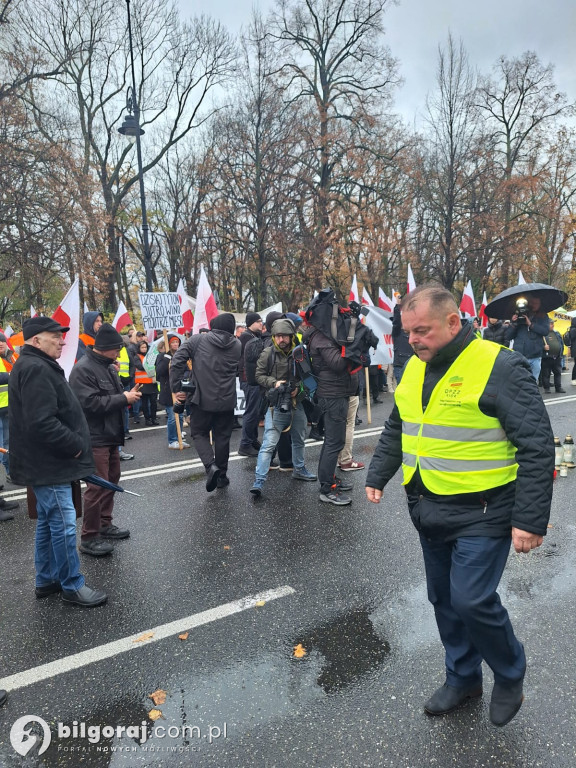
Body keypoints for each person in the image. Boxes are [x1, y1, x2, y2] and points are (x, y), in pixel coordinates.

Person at [365, 285, 554, 727]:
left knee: (471, 600)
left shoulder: (498, 365)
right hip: (428, 506)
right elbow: (399, 425)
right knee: (444, 599)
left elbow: (536, 445)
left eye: (422, 330)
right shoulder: (415, 366)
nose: (412, 340)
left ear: (454, 322)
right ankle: (462, 678)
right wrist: (378, 475)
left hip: (485, 510)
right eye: (407, 331)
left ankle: (509, 674)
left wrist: (529, 520)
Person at [8, 316, 107, 606]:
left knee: (48, 522)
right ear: (36, 340)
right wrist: (76, 446)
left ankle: (47, 579)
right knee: (62, 523)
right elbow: (42, 422)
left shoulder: (33, 364)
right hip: (50, 464)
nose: (63, 341)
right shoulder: (36, 368)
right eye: (56, 337)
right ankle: (71, 586)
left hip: (45, 462)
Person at [70, 323, 141, 556]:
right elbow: (90, 404)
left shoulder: (109, 367)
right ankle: (89, 537)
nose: (119, 352)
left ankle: (104, 523)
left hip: (111, 435)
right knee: (97, 486)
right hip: (95, 436)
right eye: (116, 349)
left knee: (112, 480)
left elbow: (112, 397)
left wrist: (126, 396)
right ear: (105, 348)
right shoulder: (83, 369)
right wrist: (124, 398)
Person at [170, 313, 241, 492]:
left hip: (202, 399)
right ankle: (222, 476)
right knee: (223, 437)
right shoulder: (237, 344)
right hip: (227, 399)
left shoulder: (198, 340)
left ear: (213, 325)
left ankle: (211, 466)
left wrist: (177, 387)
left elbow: (177, 361)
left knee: (199, 433)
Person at [249, 318, 317, 497]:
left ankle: (299, 469)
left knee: (299, 439)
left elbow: (309, 377)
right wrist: (275, 383)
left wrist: (298, 389)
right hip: (277, 404)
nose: (281, 340)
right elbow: (259, 376)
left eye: (284, 336)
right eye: (277, 336)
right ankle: (259, 481)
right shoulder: (268, 353)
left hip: (298, 402)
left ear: (291, 336)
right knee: (269, 443)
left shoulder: (301, 352)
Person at [306, 319, 359, 506]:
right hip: (333, 395)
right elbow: (338, 363)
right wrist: (354, 345)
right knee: (334, 442)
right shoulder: (322, 338)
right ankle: (327, 489)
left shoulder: (325, 336)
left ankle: (329, 480)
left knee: (333, 442)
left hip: (337, 393)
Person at [155, 335, 190, 449]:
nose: (175, 344)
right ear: (168, 344)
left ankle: (179, 437)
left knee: (180, 416)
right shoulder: (162, 356)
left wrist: (183, 378)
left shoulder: (181, 356)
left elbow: (186, 370)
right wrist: (166, 359)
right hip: (168, 390)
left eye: (177, 342)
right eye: (173, 342)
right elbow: (159, 372)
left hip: (179, 389)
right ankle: (172, 440)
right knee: (172, 416)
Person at [238, 312, 264, 457]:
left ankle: (252, 440)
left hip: (252, 379)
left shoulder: (253, 336)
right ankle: (245, 444)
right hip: (249, 379)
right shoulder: (247, 337)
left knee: (255, 411)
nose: (261, 324)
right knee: (251, 411)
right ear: (251, 323)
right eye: (258, 321)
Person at [504, 296, 549, 381]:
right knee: (521, 382)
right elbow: (508, 336)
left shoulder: (542, 316)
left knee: (533, 382)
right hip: (520, 356)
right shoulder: (518, 315)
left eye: (536, 303)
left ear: (540, 304)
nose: (534, 305)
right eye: (532, 303)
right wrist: (514, 322)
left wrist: (531, 324)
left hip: (535, 356)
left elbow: (545, 331)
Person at [134, 340, 159, 426]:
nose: (144, 349)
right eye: (142, 347)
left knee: (153, 402)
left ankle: (154, 418)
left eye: (145, 347)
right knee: (145, 403)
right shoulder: (137, 356)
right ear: (139, 348)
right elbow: (140, 366)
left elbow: (156, 364)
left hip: (152, 382)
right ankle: (147, 419)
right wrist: (149, 364)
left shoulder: (150, 356)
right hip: (143, 383)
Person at [391, 301, 413, 385]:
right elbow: (396, 322)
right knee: (402, 388)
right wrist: (397, 306)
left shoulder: (412, 332)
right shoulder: (397, 332)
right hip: (400, 365)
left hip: (411, 365)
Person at [541, 319, 565, 394]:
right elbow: (536, 345)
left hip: (557, 357)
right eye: (551, 323)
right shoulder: (542, 335)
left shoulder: (556, 333)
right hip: (547, 357)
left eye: (553, 323)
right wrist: (543, 347)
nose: (553, 325)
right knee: (546, 374)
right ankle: (547, 388)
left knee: (558, 373)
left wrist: (560, 352)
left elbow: (561, 343)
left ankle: (558, 387)